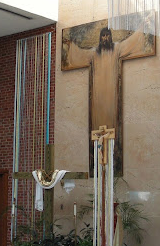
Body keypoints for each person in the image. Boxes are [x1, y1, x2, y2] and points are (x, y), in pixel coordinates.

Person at [62, 25, 147, 174]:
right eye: (103, 36)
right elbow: (80, 55)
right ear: (100, 38)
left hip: (112, 98)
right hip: (97, 99)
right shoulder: (94, 54)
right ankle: (97, 160)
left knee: (112, 127)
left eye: (107, 35)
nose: (105, 38)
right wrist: (70, 45)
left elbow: (131, 43)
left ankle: (113, 159)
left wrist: (143, 29)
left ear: (111, 37)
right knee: (97, 128)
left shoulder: (117, 49)